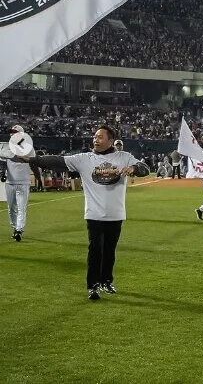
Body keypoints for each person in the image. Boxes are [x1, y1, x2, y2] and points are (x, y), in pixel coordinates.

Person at [23, 126, 150, 300]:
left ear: (110, 141)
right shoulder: (84, 159)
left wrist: (134, 169)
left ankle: (106, 281)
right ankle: (93, 286)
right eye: (95, 136)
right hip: (94, 213)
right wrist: (34, 159)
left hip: (116, 214)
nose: (95, 140)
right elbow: (57, 161)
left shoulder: (124, 157)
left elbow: (144, 168)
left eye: (100, 137)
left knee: (110, 250)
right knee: (95, 249)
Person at [0, 125, 35, 242]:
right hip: (10, 181)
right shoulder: (7, 147)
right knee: (11, 208)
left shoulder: (28, 148)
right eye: (11, 132)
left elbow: (34, 161)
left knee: (21, 207)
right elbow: (3, 163)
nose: (12, 134)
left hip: (23, 182)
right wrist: (3, 174)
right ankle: (15, 227)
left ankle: (19, 229)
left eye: (15, 132)